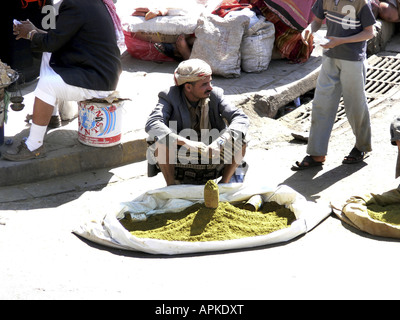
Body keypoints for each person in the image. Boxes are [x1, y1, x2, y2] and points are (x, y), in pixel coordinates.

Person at [4, 0, 123, 161]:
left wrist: (31, 34)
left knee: (47, 85)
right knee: (47, 55)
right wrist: (34, 30)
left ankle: (34, 146)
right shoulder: (86, 3)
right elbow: (58, 39)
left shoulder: (75, 4)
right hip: (100, 70)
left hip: (99, 79)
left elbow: (53, 42)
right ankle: (51, 115)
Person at [293, 0, 376, 170]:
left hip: (353, 60)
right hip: (330, 57)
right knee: (321, 104)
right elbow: (317, 21)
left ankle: (362, 147)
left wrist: (340, 41)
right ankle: (317, 153)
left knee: (355, 105)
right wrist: (309, 29)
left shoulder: (361, 3)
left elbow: (370, 33)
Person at [145, 59, 250, 186]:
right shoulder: (169, 96)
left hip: (213, 153)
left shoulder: (216, 95)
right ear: (188, 87)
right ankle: (172, 186)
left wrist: (220, 141)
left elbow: (240, 118)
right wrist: (187, 143)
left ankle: (224, 183)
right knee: (159, 140)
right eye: (205, 84)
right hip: (183, 156)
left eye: (210, 82)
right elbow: (153, 122)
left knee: (241, 138)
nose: (210, 87)